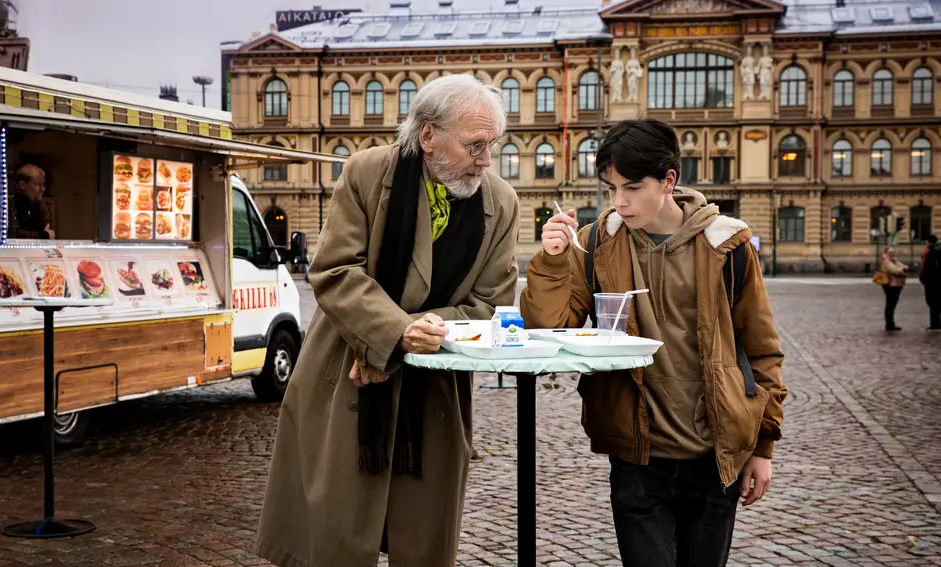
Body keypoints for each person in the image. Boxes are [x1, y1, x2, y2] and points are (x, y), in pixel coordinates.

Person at [254, 73, 521, 567]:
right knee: (335, 534)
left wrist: (409, 338)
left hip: (434, 388)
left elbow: (492, 302)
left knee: (422, 537)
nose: (486, 160)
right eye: (475, 145)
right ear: (428, 136)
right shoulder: (366, 173)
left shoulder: (501, 202)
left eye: (493, 145)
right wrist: (394, 333)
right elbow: (335, 269)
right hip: (346, 374)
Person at [520, 118, 788, 567]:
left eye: (632, 187)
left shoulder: (728, 246)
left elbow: (762, 352)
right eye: (611, 189)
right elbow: (550, 330)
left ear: (668, 180)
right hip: (637, 459)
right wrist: (550, 262)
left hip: (714, 459)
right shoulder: (595, 245)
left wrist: (762, 447)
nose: (619, 202)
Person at [11, 164, 54, 239]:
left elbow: (44, 228)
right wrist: (44, 236)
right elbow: (14, 234)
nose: (43, 189)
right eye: (37, 184)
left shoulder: (36, 204)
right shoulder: (10, 205)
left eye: (43, 184)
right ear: (22, 185)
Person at [880, 246, 907, 332]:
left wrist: (902, 269)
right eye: (890, 252)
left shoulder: (894, 260)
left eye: (893, 252)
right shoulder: (886, 262)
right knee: (890, 305)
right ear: (886, 253)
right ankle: (889, 324)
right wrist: (902, 270)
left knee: (892, 305)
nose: (892, 254)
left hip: (897, 285)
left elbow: (905, 267)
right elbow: (895, 271)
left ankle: (891, 323)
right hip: (891, 285)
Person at [921, 235, 941, 330]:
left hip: (931, 281)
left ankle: (935, 324)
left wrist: (922, 278)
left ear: (929, 242)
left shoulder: (931, 252)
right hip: (939, 280)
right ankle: (937, 323)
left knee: (932, 302)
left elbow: (927, 267)